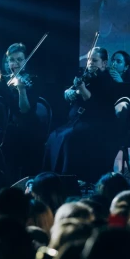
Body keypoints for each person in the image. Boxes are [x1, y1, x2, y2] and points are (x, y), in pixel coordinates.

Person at [45, 47, 119, 183]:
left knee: (68, 138)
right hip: (80, 121)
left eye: (94, 60)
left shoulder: (107, 80)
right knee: (54, 135)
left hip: (98, 124)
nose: (90, 63)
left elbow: (92, 101)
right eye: (89, 60)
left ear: (104, 63)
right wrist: (68, 92)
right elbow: (69, 93)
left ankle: (68, 179)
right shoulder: (86, 76)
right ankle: (52, 178)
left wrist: (81, 88)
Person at [0, 43, 46, 180]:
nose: (16, 63)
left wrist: (22, 90)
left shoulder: (33, 81)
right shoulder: (3, 81)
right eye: (12, 60)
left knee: (15, 139)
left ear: (26, 61)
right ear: (7, 62)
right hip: (7, 128)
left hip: (29, 128)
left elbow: (25, 111)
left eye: (19, 59)